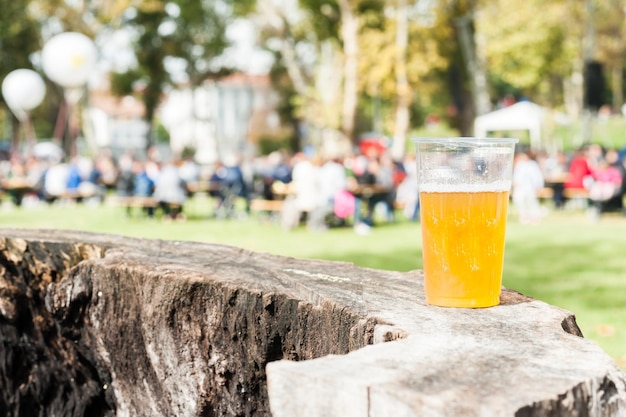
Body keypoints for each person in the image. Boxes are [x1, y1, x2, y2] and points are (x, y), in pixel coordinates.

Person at [512, 150, 545, 224]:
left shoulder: (532, 165)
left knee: (531, 202)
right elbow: (516, 177)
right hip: (520, 188)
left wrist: (539, 186)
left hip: (530, 187)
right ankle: (524, 216)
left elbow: (537, 176)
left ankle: (535, 217)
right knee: (519, 201)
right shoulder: (519, 165)